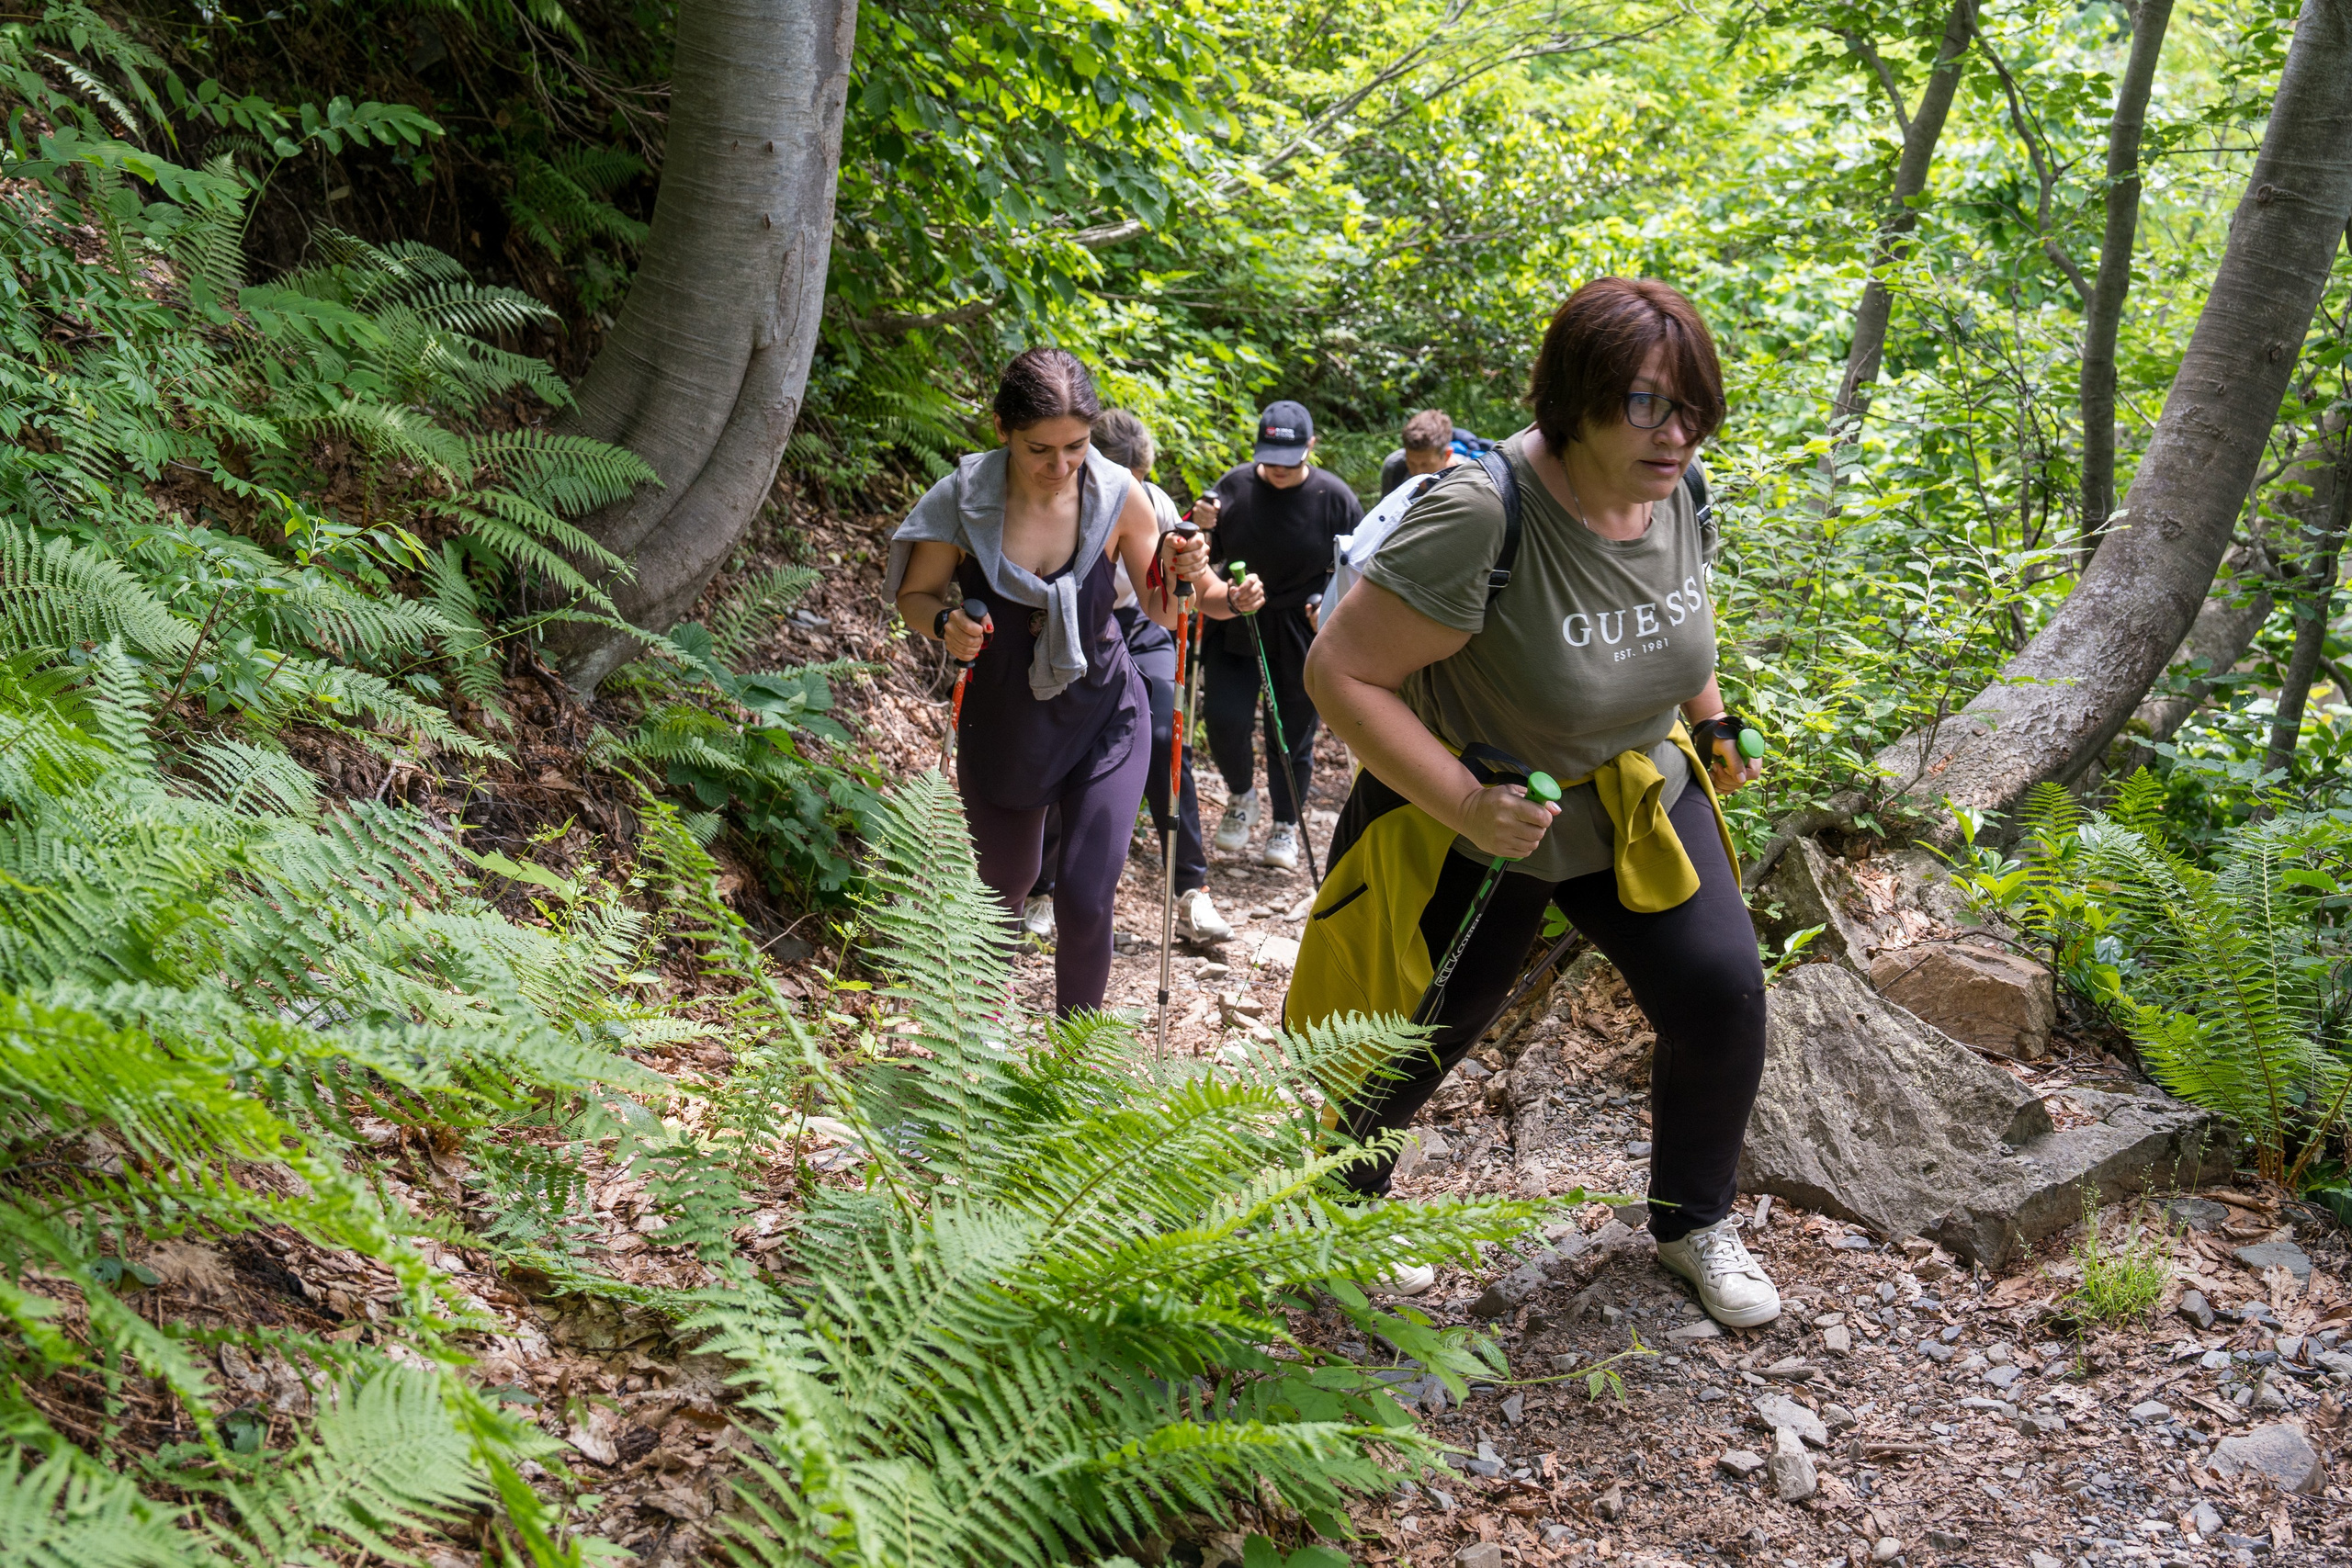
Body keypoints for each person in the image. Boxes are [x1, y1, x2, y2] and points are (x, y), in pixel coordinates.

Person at [1295, 278, 1778, 1327]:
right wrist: (1468, 803)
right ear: (1575, 400)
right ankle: (1330, 1213)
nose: (1676, 432)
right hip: (1473, 809)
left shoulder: (1678, 491)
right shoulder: (1481, 515)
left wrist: (1712, 715)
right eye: (1647, 404)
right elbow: (1339, 674)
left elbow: (1669, 620)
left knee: (1722, 995)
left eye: (1691, 406)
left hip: (1633, 795)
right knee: (1416, 1031)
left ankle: (1694, 1222)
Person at [887, 349, 1245, 1014]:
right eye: (1039, 449)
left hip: (1104, 712)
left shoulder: (1119, 495)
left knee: (1084, 894)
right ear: (1001, 429)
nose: (1061, 467)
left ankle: (1071, 1070)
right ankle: (976, 1057)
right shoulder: (963, 501)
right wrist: (942, 624)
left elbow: (1166, 610)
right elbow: (917, 592)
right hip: (1002, 721)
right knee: (1001, 889)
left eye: (1076, 447)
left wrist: (1182, 564)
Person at [1023, 410, 1249, 945]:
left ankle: (1191, 891)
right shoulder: (1062, 504)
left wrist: (1232, 600)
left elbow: (1199, 590)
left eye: (1139, 480)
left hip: (1146, 623)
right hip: (1074, 626)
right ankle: (1041, 888)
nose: (1129, 490)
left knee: (1167, 736)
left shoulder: (1154, 505)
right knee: (1065, 744)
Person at [1193, 400, 1363, 870]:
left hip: (1299, 627)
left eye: (1290, 459)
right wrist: (1202, 530)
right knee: (1225, 720)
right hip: (1238, 619)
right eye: (1269, 457)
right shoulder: (1235, 487)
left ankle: (1286, 823)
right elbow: (1206, 558)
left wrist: (1327, 608)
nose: (1278, 469)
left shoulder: (1336, 499)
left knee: (1291, 733)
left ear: (1311, 447)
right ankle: (1242, 796)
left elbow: (1358, 569)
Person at [1377, 409, 1488, 499]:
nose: (1417, 474)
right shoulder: (1395, 467)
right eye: (1411, 463)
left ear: (1447, 455)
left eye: (1425, 465)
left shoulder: (1469, 481)